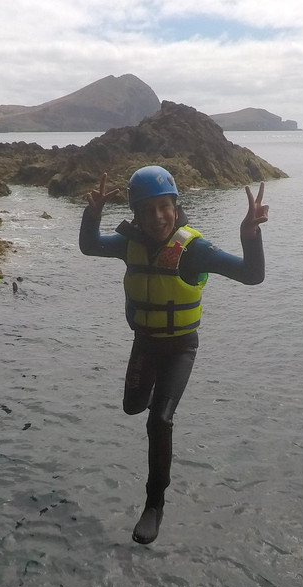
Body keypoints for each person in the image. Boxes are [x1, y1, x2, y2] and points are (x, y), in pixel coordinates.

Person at [80, 165, 268, 543]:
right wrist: (93, 212)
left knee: (158, 420)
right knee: (133, 406)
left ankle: (154, 504)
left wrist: (249, 233)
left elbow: (251, 274)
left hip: (181, 346)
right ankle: (150, 395)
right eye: (147, 210)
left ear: (176, 205)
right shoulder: (128, 243)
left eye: (164, 207)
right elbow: (90, 245)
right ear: (135, 213)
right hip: (145, 342)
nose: (156, 218)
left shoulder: (193, 250)